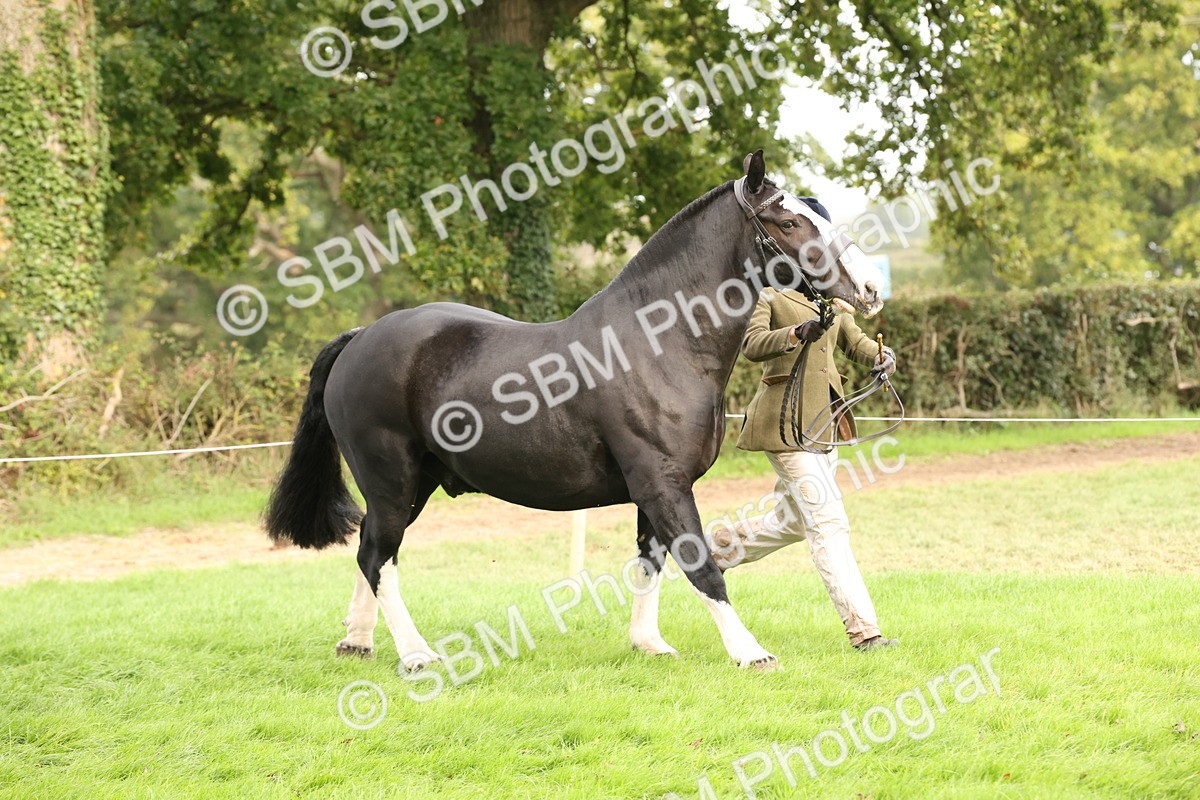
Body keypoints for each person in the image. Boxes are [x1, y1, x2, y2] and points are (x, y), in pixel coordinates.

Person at [711, 203, 899, 651]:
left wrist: (880, 357)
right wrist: (797, 334)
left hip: (825, 424)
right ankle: (865, 633)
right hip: (784, 424)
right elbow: (753, 345)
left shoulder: (830, 296)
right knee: (829, 523)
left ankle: (712, 552)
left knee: (794, 521)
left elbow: (853, 343)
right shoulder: (768, 295)